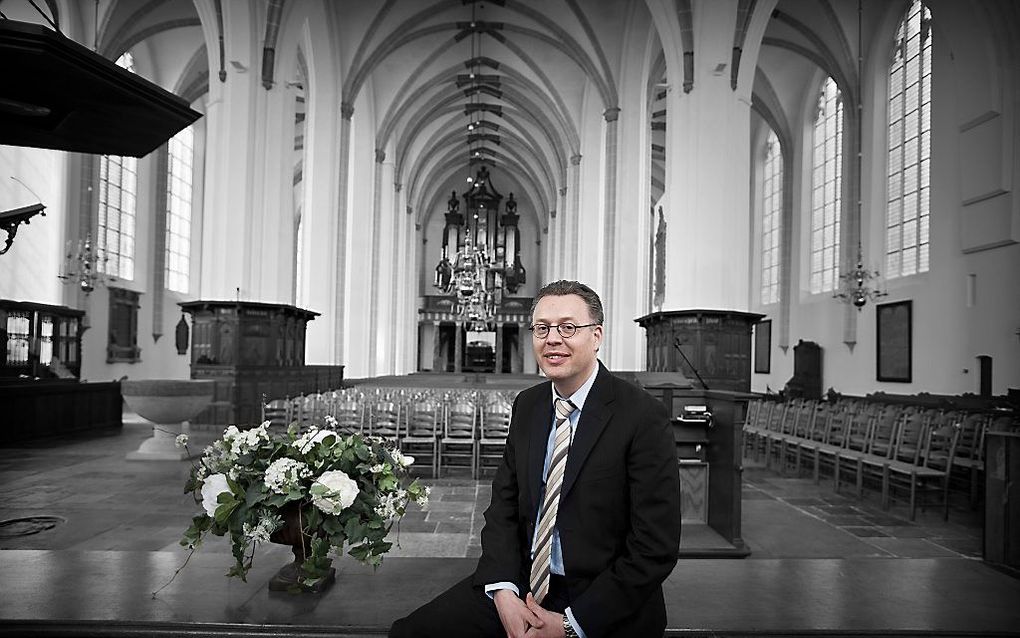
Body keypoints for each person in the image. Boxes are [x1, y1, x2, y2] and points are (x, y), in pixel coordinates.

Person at [390, 280, 681, 638]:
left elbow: (655, 548)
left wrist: (570, 625)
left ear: (597, 335)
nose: (552, 339)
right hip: (523, 583)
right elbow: (503, 509)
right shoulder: (528, 405)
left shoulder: (642, 416)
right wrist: (503, 591)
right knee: (409, 633)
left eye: (568, 327)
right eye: (542, 328)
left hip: (603, 597)